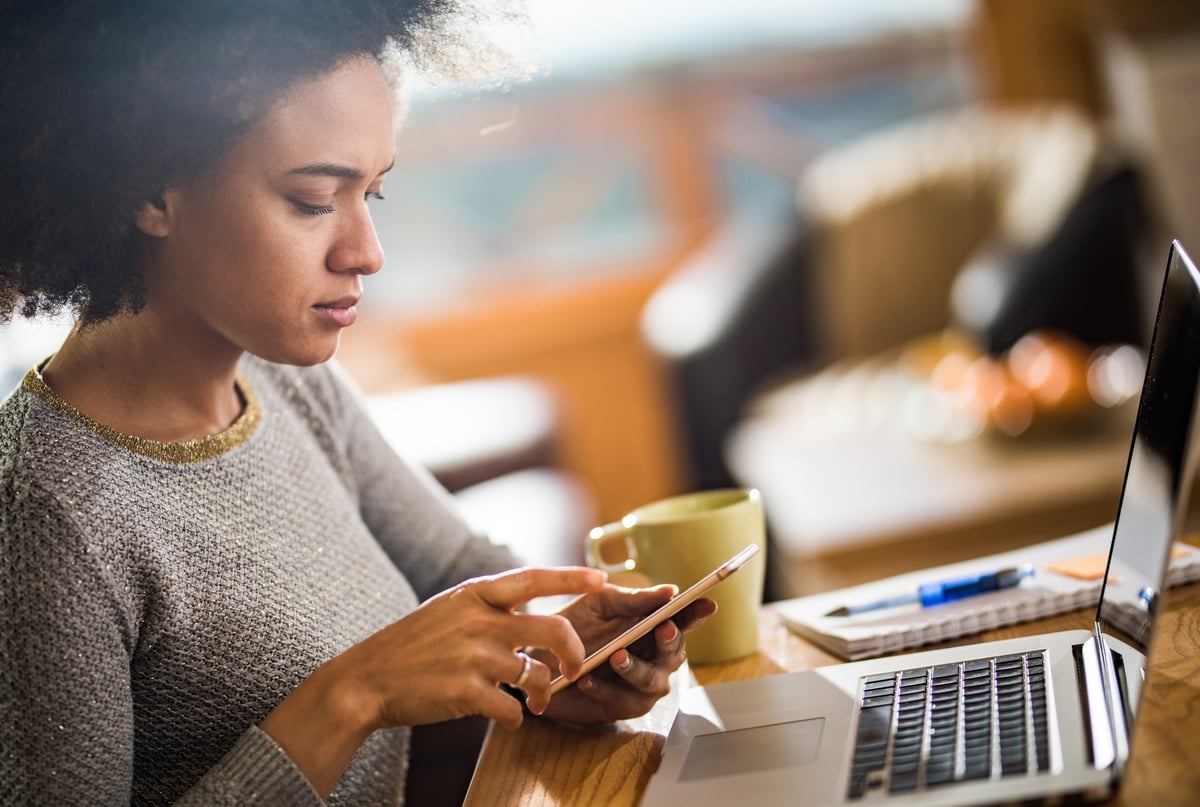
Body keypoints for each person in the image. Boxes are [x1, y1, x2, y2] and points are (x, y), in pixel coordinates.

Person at [0, 2, 716, 804]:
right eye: (313, 200)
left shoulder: (283, 379)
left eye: (370, 193)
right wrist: (351, 697)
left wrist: (570, 647)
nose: (366, 252)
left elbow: (453, 566)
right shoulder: (44, 512)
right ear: (148, 190)